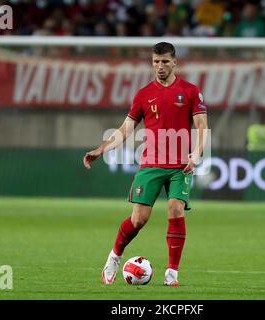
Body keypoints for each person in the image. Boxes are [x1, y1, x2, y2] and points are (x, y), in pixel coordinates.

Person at [83, 42, 208, 286]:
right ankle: (114, 257)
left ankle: (172, 273)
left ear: (175, 62)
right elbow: (126, 129)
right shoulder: (143, 94)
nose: (160, 66)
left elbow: (202, 126)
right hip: (151, 164)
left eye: (164, 61)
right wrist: (101, 149)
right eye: (155, 62)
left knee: (175, 208)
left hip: (180, 166)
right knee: (139, 219)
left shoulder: (191, 91)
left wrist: (196, 154)